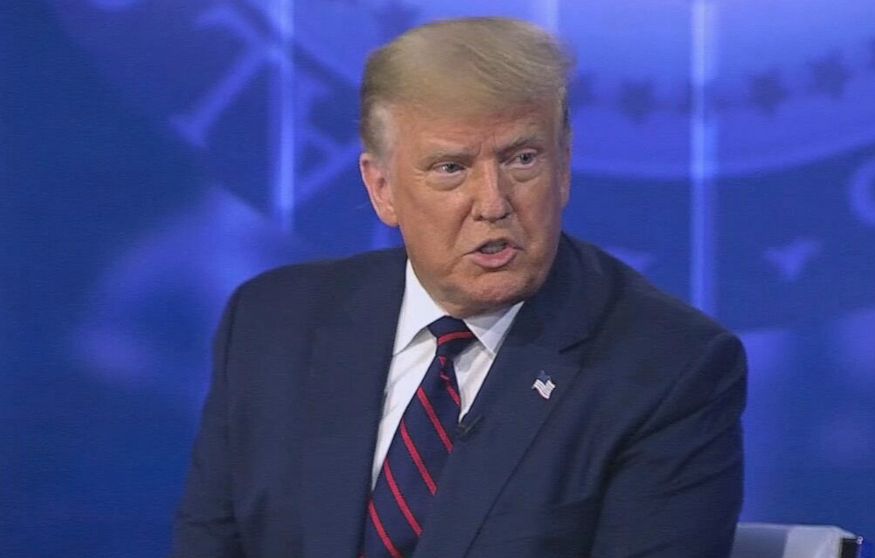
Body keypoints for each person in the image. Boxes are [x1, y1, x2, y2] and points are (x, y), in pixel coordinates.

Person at [173, 17, 746, 558]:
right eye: (451, 168)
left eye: (522, 159)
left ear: (565, 166)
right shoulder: (272, 324)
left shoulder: (667, 369)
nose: (493, 204)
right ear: (382, 189)